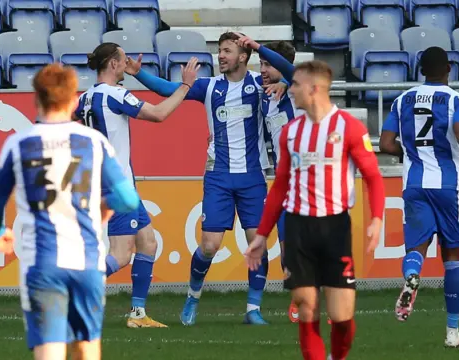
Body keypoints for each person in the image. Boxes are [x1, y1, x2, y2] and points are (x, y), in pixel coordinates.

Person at [125, 32, 294, 326]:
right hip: (218, 177)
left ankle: (253, 309)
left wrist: (284, 81)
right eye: (220, 50)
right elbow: (168, 90)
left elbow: (294, 74)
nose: (221, 56)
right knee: (209, 246)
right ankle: (193, 296)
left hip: (253, 177)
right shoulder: (209, 87)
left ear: (243, 56)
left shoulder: (260, 83)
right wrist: (139, 73)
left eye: (227, 50)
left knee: (257, 244)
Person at [0, 63, 141, 360]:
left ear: (37, 99)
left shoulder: (18, 143)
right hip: (87, 262)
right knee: (87, 348)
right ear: (73, 100)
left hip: (42, 264)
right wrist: (103, 208)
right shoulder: (93, 142)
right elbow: (127, 198)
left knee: (50, 351)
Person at [245, 60, 386, 360]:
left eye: (295, 84)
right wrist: (261, 235)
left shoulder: (349, 127)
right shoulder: (290, 132)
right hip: (298, 228)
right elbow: (280, 186)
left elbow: (373, 176)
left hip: (334, 228)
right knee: (306, 305)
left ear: (314, 89)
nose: (290, 89)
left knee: (342, 317)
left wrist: (376, 217)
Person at [74, 42, 200, 328]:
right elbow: (158, 114)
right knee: (120, 254)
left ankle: (138, 314)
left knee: (148, 242)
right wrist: (185, 86)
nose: (126, 63)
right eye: (123, 59)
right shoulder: (114, 94)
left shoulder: (85, 98)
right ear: (114, 64)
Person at [379, 46, 459, 348]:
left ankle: (413, 275)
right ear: (449, 69)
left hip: (414, 183)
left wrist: (412, 152)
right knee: (452, 257)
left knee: (416, 247)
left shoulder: (402, 100)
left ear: (420, 70)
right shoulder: (458, 99)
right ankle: (452, 332)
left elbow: (386, 143)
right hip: (448, 185)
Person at [237, 35, 304, 323]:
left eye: (267, 64)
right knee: (289, 247)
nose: (262, 69)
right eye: (260, 64)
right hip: (284, 181)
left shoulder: (296, 88)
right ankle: (299, 300)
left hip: (310, 180)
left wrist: (256, 48)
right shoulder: (266, 96)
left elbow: (292, 74)